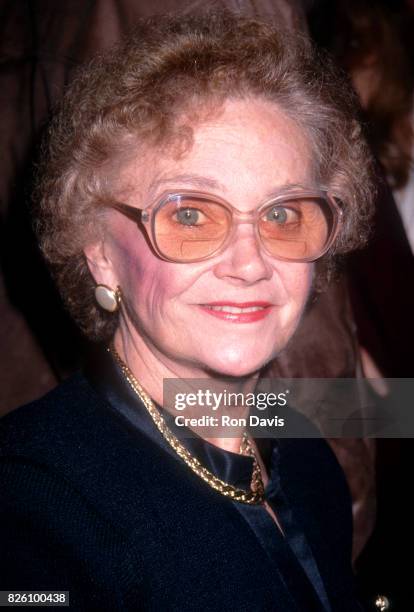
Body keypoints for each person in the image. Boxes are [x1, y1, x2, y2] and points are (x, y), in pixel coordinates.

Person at [0, 11, 374, 611]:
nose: (250, 263)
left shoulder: (301, 447)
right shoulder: (30, 505)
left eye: (282, 215)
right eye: (191, 215)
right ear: (98, 252)